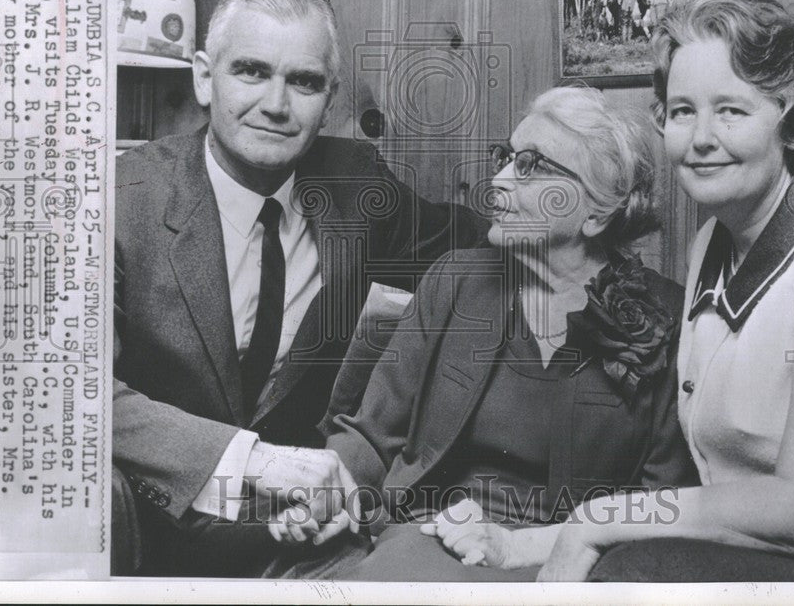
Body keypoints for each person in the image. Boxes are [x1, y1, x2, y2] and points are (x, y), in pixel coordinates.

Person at [452, 0, 794, 582]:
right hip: (745, 541)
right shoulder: (711, 240)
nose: (700, 138)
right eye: (681, 111)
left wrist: (596, 522)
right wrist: (532, 542)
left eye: (730, 110)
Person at [113, 0, 487, 576]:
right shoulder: (119, 202)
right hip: (150, 546)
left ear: (331, 98)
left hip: (306, 545)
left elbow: (473, 237)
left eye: (304, 82)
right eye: (251, 71)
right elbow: (80, 397)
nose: (277, 105)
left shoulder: (359, 185)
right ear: (205, 78)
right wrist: (256, 463)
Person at [265, 86, 699, 581]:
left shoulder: (666, 316)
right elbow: (372, 434)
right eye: (506, 157)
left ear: (597, 211)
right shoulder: (456, 282)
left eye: (531, 165)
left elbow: (664, 501)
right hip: (434, 539)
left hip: (575, 563)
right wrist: (328, 491)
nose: (498, 181)